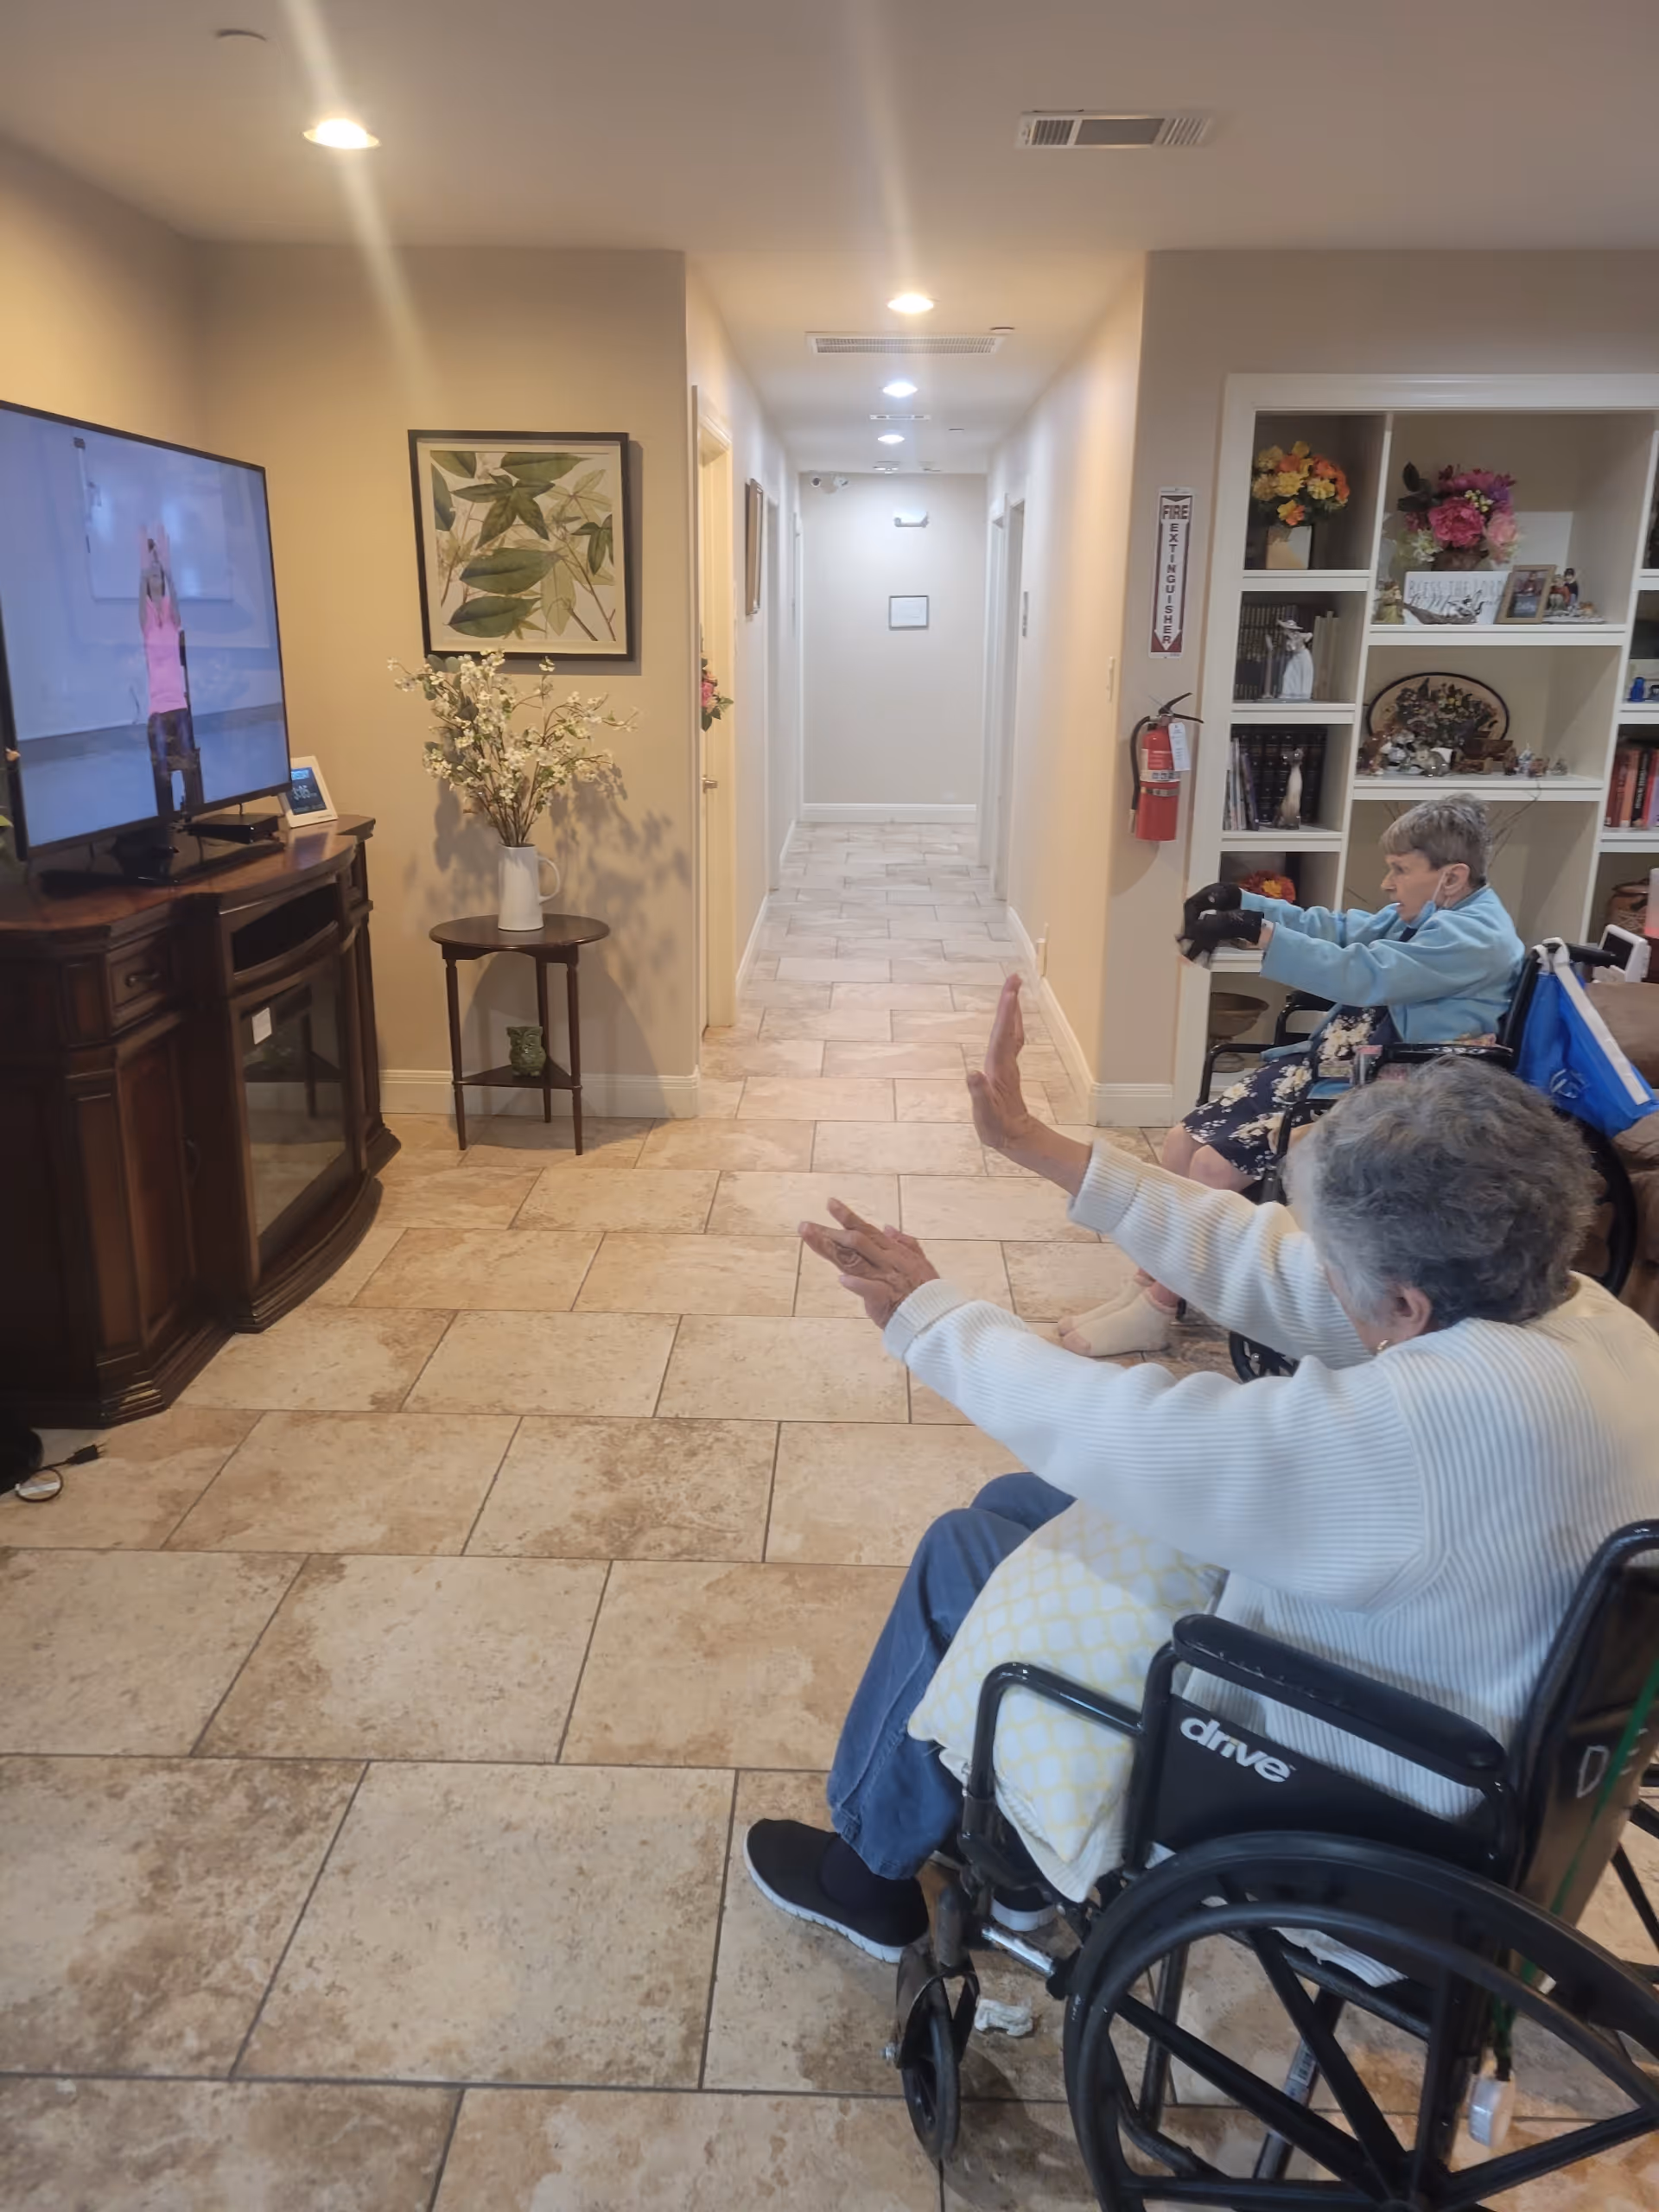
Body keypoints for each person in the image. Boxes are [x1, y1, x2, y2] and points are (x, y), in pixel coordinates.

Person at [743, 991, 1659, 1961]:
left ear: (1404, 1298)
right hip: (1464, 1699)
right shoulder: (1584, 1321)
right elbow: (1280, 1268)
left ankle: (864, 1876)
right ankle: (1013, 1869)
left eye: (1340, 1266)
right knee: (1019, 1506)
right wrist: (1037, 1144)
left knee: (963, 1552)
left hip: (1369, 1782)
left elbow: (1138, 1433)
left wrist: (930, 1320)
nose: (1317, 1273)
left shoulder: (1422, 1433)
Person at [1062, 795, 1523, 1358]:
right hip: (1330, 1064)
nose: (1386, 882)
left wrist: (1258, 936)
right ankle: (1150, 1287)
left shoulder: (1476, 937)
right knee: (1183, 1141)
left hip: (1389, 1085)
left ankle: (1159, 1308)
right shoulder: (1433, 912)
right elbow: (1340, 929)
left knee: (1211, 1165)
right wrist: (1244, 904)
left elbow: (1363, 974)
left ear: (1450, 876)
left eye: (1400, 869)